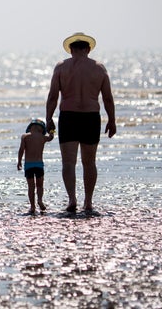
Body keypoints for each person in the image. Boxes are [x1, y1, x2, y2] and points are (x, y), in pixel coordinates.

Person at [45, 32, 116, 213]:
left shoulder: (61, 67)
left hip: (68, 116)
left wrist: (49, 119)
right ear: (88, 49)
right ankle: (89, 202)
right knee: (89, 162)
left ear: (71, 50)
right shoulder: (99, 69)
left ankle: (72, 199)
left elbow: (53, 96)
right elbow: (107, 98)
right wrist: (112, 120)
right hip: (91, 116)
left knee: (68, 163)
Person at [17, 119, 54, 214]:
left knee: (31, 186)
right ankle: (40, 200)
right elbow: (51, 138)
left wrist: (19, 162)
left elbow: (21, 150)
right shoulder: (42, 137)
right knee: (40, 185)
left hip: (29, 165)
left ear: (30, 128)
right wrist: (52, 130)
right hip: (39, 165)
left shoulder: (25, 136)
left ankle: (32, 206)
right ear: (42, 129)